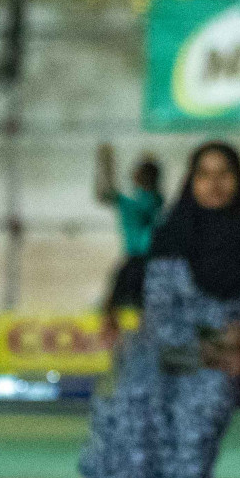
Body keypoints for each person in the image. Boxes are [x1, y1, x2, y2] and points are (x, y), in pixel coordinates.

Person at [80, 142, 240, 478]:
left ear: (239, 179)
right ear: (190, 180)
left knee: (195, 412)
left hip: (227, 351)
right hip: (168, 347)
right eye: (204, 174)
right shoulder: (171, 229)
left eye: (224, 174)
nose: (214, 184)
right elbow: (156, 304)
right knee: (134, 404)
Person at [94, 144, 164, 338]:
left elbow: (103, 194)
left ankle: (116, 340)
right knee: (141, 307)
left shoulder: (138, 203)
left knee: (112, 305)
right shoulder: (156, 201)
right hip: (149, 261)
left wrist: (104, 163)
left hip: (138, 260)